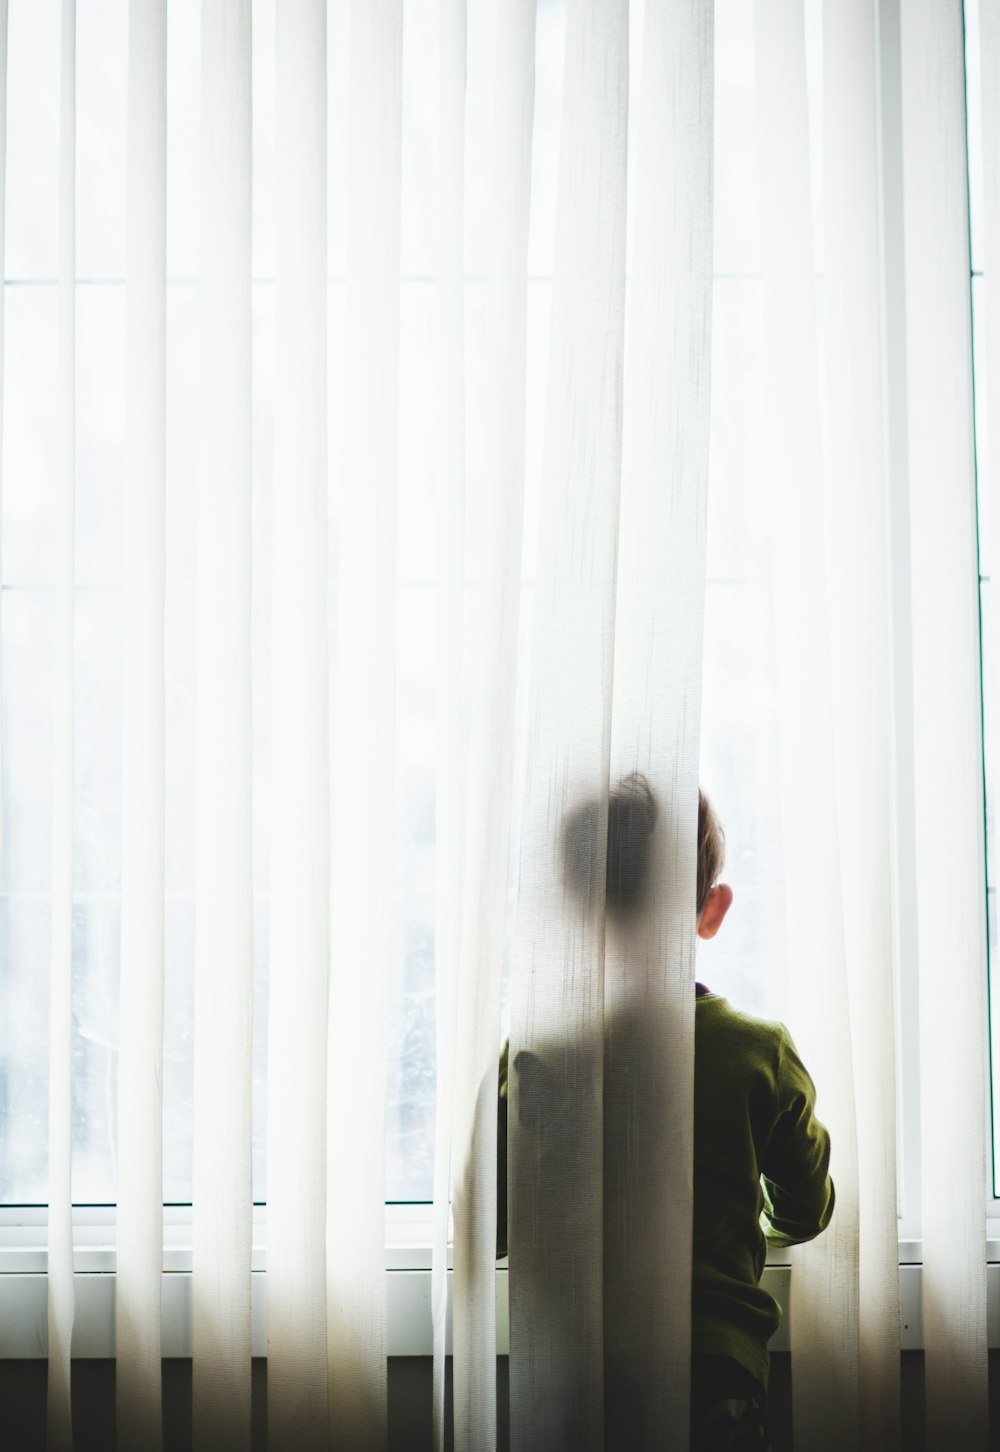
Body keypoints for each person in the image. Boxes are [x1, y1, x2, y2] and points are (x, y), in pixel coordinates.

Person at [496, 780, 835, 1452]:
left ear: (569, 906)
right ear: (713, 908)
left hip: (576, 1363)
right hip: (716, 1362)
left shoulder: (536, 1056)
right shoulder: (757, 1051)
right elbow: (805, 1210)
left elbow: (491, 1228)